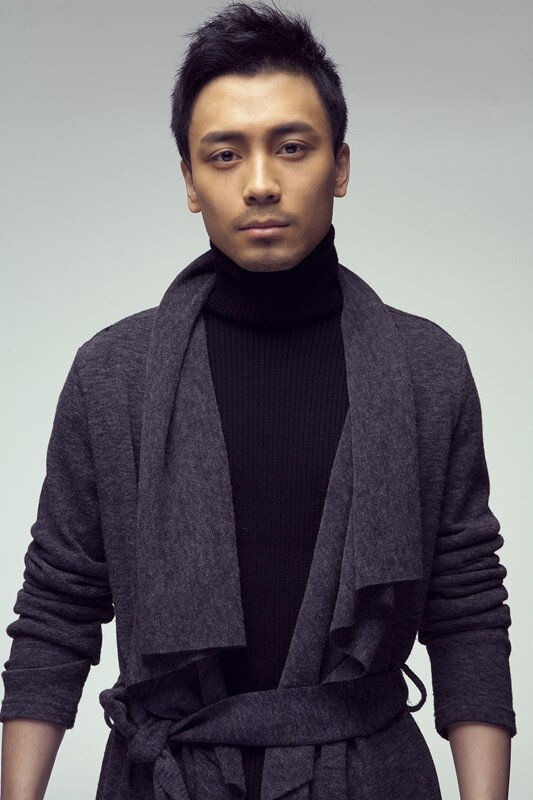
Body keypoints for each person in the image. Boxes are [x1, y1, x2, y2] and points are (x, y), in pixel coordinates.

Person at [0, 2, 516, 799]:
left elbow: (466, 609)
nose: (261, 183)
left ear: (339, 166)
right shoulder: (114, 373)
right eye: (224, 154)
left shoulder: (425, 369)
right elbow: (56, 609)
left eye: (291, 147)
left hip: (368, 776)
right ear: (189, 180)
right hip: (168, 779)